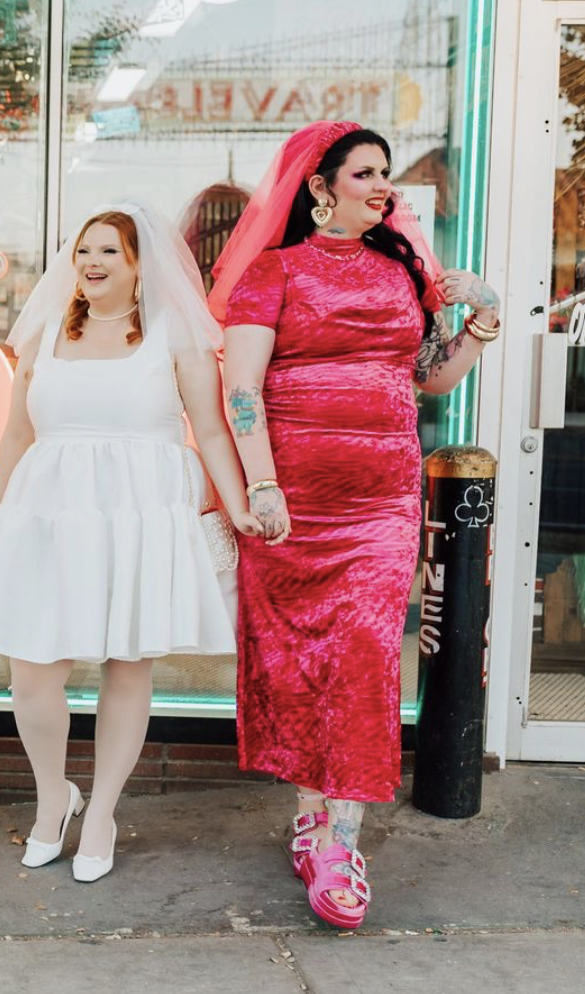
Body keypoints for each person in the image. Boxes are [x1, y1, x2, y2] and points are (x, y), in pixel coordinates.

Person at [208, 121, 501, 929]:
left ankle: (342, 841)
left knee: (366, 658)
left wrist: (476, 325)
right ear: (319, 187)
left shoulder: (401, 273)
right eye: (365, 173)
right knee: (307, 665)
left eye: (387, 174)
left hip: (383, 504)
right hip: (294, 504)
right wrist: (261, 485)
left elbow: (430, 381)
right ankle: (309, 817)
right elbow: (241, 390)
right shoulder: (274, 273)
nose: (383, 186)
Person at [0, 201, 262, 883]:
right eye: (84, 249)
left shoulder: (174, 335)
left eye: (109, 251)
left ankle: (103, 812)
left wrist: (241, 506)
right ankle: (53, 795)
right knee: (31, 672)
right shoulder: (46, 335)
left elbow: (210, 430)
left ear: (140, 263)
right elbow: (16, 435)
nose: (91, 262)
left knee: (127, 664)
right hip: (49, 512)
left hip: (141, 513)